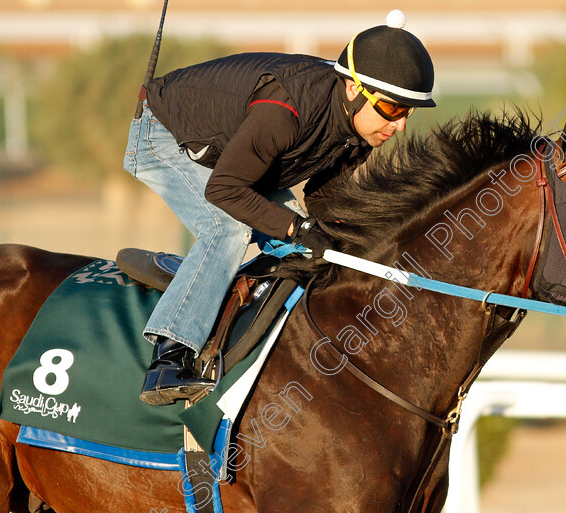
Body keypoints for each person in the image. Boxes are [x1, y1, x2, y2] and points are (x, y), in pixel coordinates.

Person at [123, 9, 435, 406]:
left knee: (301, 234)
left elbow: (325, 199)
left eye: (407, 112)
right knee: (230, 230)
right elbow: (226, 190)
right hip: (163, 134)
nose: (401, 125)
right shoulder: (286, 110)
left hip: (232, 157)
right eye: (392, 109)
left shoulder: (357, 128)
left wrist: (342, 234)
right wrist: (297, 230)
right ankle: (169, 356)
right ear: (355, 89)